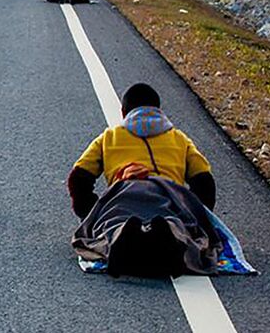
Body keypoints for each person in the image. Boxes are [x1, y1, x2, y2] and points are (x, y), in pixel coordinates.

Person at [68, 83, 220, 277]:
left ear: (123, 113)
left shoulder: (109, 137)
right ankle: (170, 234)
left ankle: (121, 235)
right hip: (169, 195)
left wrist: (90, 211)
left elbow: (78, 178)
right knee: (181, 226)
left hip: (123, 194)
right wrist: (197, 212)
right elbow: (204, 180)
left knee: (111, 226)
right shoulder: (178, 138)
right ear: (158, 110)